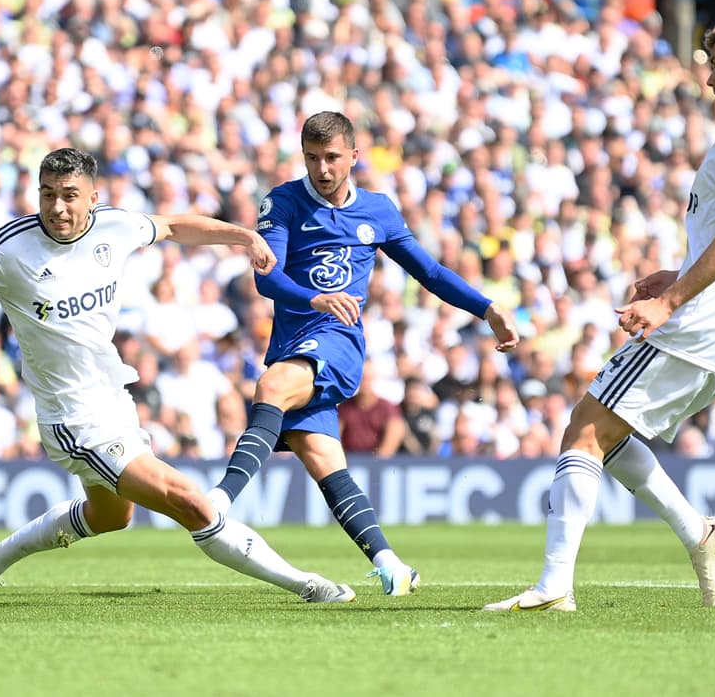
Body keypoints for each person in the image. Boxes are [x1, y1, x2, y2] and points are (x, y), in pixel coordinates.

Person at [0, 148, 355, 605]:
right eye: (47, 195)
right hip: (73, 418)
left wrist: (243, 235)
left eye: (69, 196)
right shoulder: (9, 250)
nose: (57, 207)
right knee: (192, 502)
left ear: (93, 197)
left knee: (110, 517)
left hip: (113, 401)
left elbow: (174, 226)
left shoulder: (115, 227)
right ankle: (307, 585)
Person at [484, 4, 715, 612]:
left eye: (712, 68)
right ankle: (699, 534)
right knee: (606, 429)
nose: (707, 81)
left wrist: (670, 300)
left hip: (696, 327)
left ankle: (555, 587)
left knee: (581, 431)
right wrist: (676, 274)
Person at [206, 111, 520, 595]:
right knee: (324, 460)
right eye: (313, 159)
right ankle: (391, 563)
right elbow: (265, 276)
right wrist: (313, 297)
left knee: (270, 387)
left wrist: (487, 308)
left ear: (354, 156)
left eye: (332, 158)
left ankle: (219, 502)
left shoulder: (377, 210)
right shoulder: (284, 202)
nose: (323, 169)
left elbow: (430, 273)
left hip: (339, 339)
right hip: (293, 339)